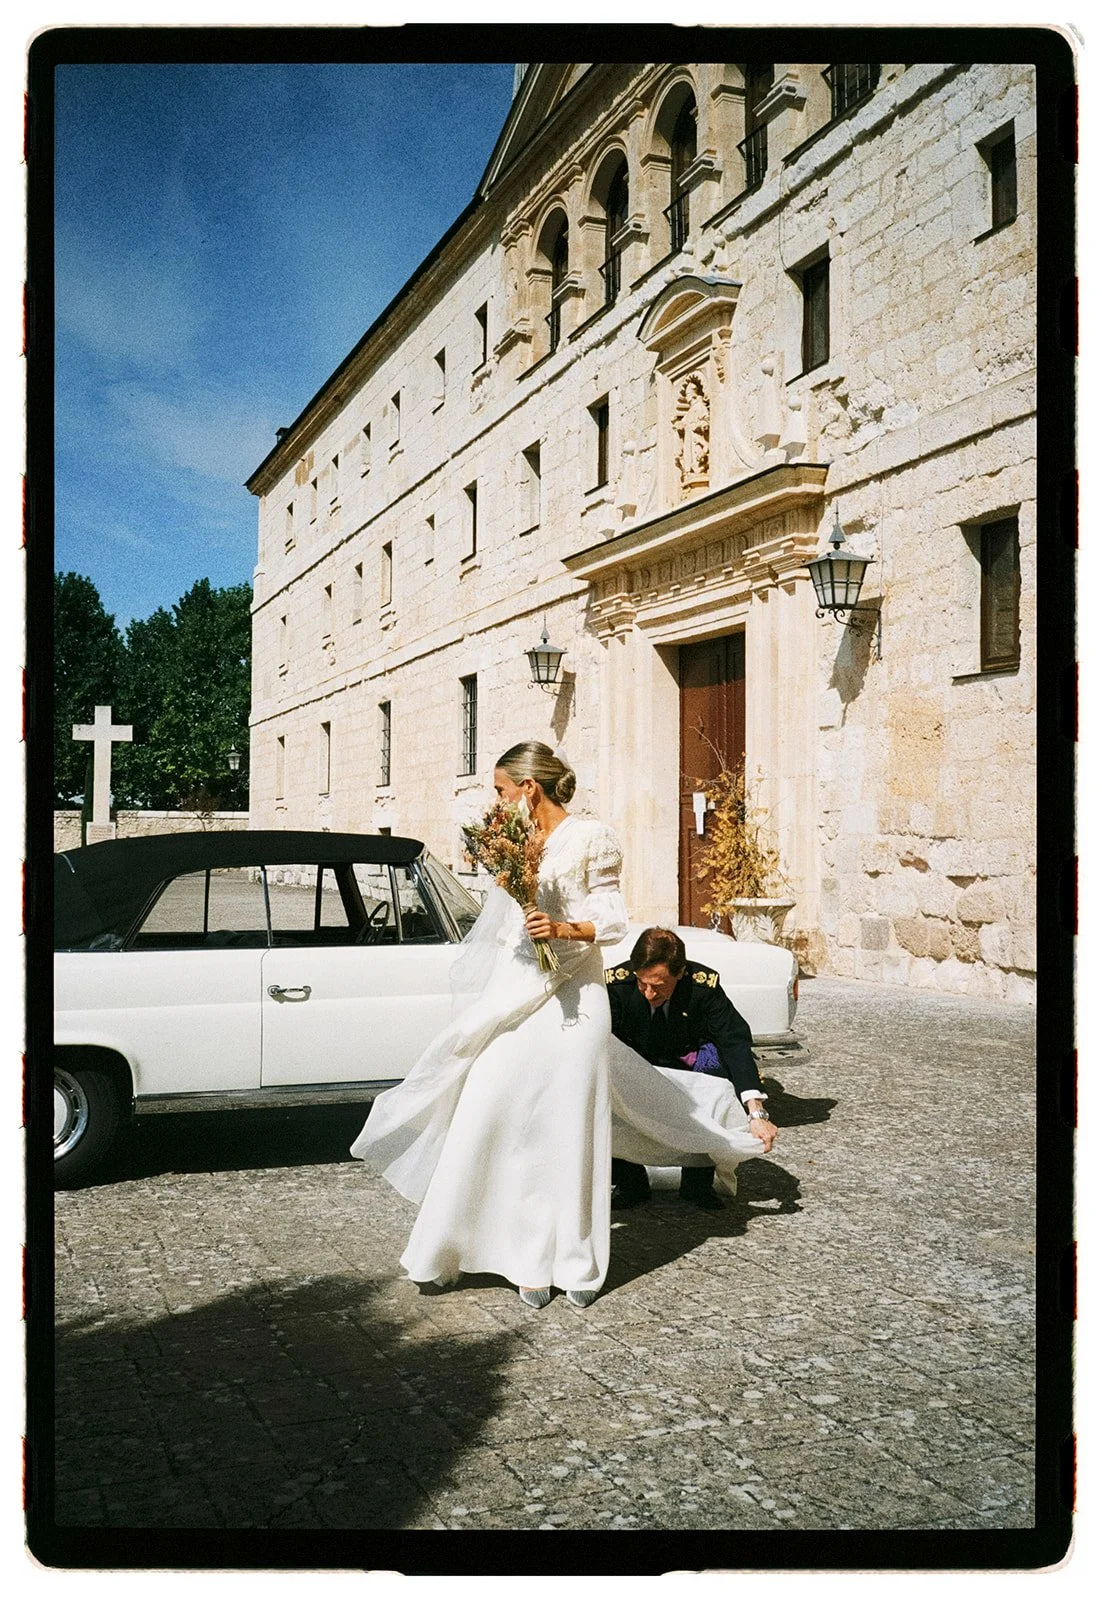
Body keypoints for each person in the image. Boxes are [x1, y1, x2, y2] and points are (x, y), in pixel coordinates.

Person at [351, 741, 773, 1309]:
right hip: (521, 989)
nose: (496, 801)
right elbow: (506, 927)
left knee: (568, 1130)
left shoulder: (590, 836)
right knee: (490, 1107)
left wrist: (563, 930)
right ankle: (482, 1248)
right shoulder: (516, 844)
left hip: (576, 1000)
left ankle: (565, 1260)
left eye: (501, 789)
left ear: (529, 787)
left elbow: (614, 918)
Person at [605, 927, 778, 1211]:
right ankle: (629, 1183)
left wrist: (756, 1112)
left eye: (659, 986)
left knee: (716, 1079)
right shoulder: (618, 985)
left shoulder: (703, 987)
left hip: (685, 1061)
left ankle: (697, 1185)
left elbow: (733, 1042)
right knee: (605, 1090)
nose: (649, 993)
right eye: (642, 984)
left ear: (680, 973)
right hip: (635, 1063)